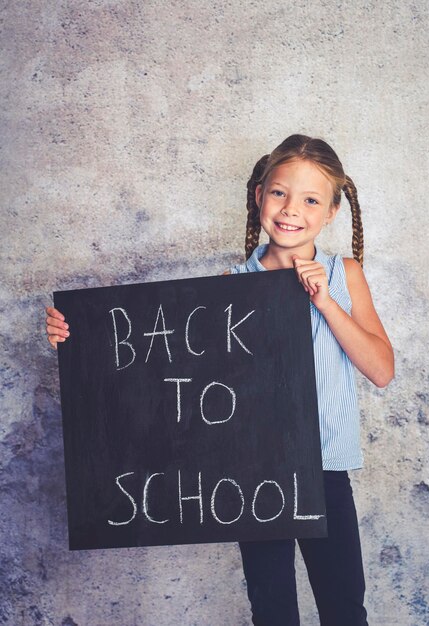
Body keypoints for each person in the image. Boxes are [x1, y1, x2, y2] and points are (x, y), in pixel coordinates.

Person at [45, 133, 394, 625]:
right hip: (254, 477)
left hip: (324, 471)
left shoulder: (344, 274)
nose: (291, 209)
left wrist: (324, 302)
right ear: (259, 196)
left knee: (344, 608)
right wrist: (78, 339)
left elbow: (381, 370)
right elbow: (163, 378)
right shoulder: (229, 290)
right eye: (279, 192)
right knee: (273, 614)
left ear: (332, 211)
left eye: (311, 199)